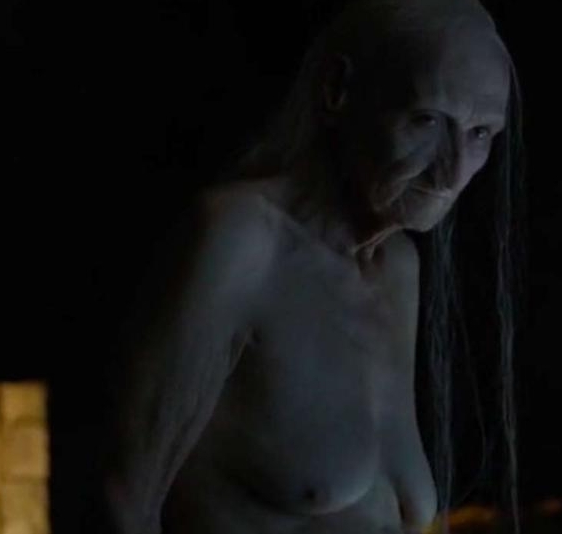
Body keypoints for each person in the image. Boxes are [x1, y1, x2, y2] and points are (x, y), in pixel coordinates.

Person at [101, 0, 523, 533]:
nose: (452, 172)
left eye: (481, 133)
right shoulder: (241, 239)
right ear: (336, 90)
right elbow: (124, 502)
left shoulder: (397, 266)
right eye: (426, 120)